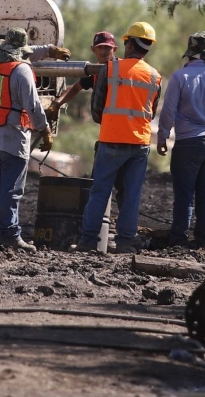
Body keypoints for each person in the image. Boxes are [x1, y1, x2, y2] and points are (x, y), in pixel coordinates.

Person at [0, 27, 70, 252]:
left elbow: (26, 52)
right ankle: (11, 234)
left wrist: (49, 50)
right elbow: (33, 106)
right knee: (12, 189)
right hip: (13, 136)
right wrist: (46, 130)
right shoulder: (21, 71)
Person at [77, 22, 162, 254]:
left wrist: (110, 123)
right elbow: (151, 111)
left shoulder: (112, 69)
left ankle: (88, 242)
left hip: (111, 139)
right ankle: (125, 242)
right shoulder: (155, 76)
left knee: (100, 192)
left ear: (129, 43)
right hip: (140, 144)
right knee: (131, 195)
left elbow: (97, 107)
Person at [156, 31, 205, 250]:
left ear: (190, 54)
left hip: (187, 144)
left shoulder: (180, 77)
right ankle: (204, 244)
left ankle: (179, 241)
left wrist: (162, 137)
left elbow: (168, 111)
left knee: (184, 195)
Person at [47, 31, 126, 210]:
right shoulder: (95, 72)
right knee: (100, 182)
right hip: (108, 133)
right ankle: (100, 221)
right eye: (101, 48)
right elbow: (75, 88)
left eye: (108, 48)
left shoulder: (122, 69)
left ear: (115, 49)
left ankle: (120, 225)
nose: (105, 52)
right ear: (93, 50)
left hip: (126, 133)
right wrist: (57, 103)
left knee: (123, 185)